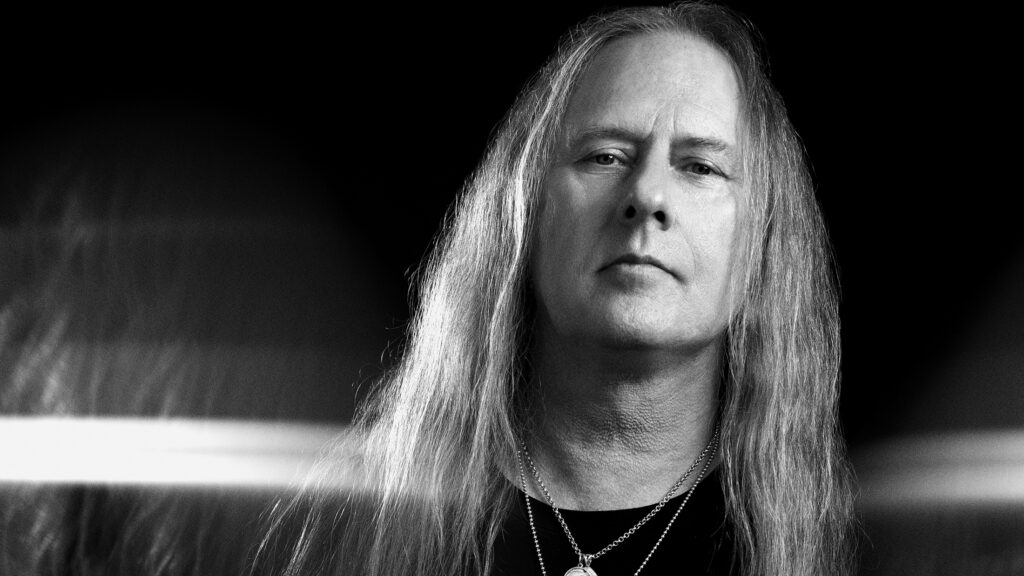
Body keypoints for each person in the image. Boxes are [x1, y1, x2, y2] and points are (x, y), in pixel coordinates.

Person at [254, 2, 856, 575]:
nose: (647, 195)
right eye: (605, 156)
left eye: (700, 166)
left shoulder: (838, 548)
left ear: (764, 238)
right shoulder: (352, 522)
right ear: (525, 211)